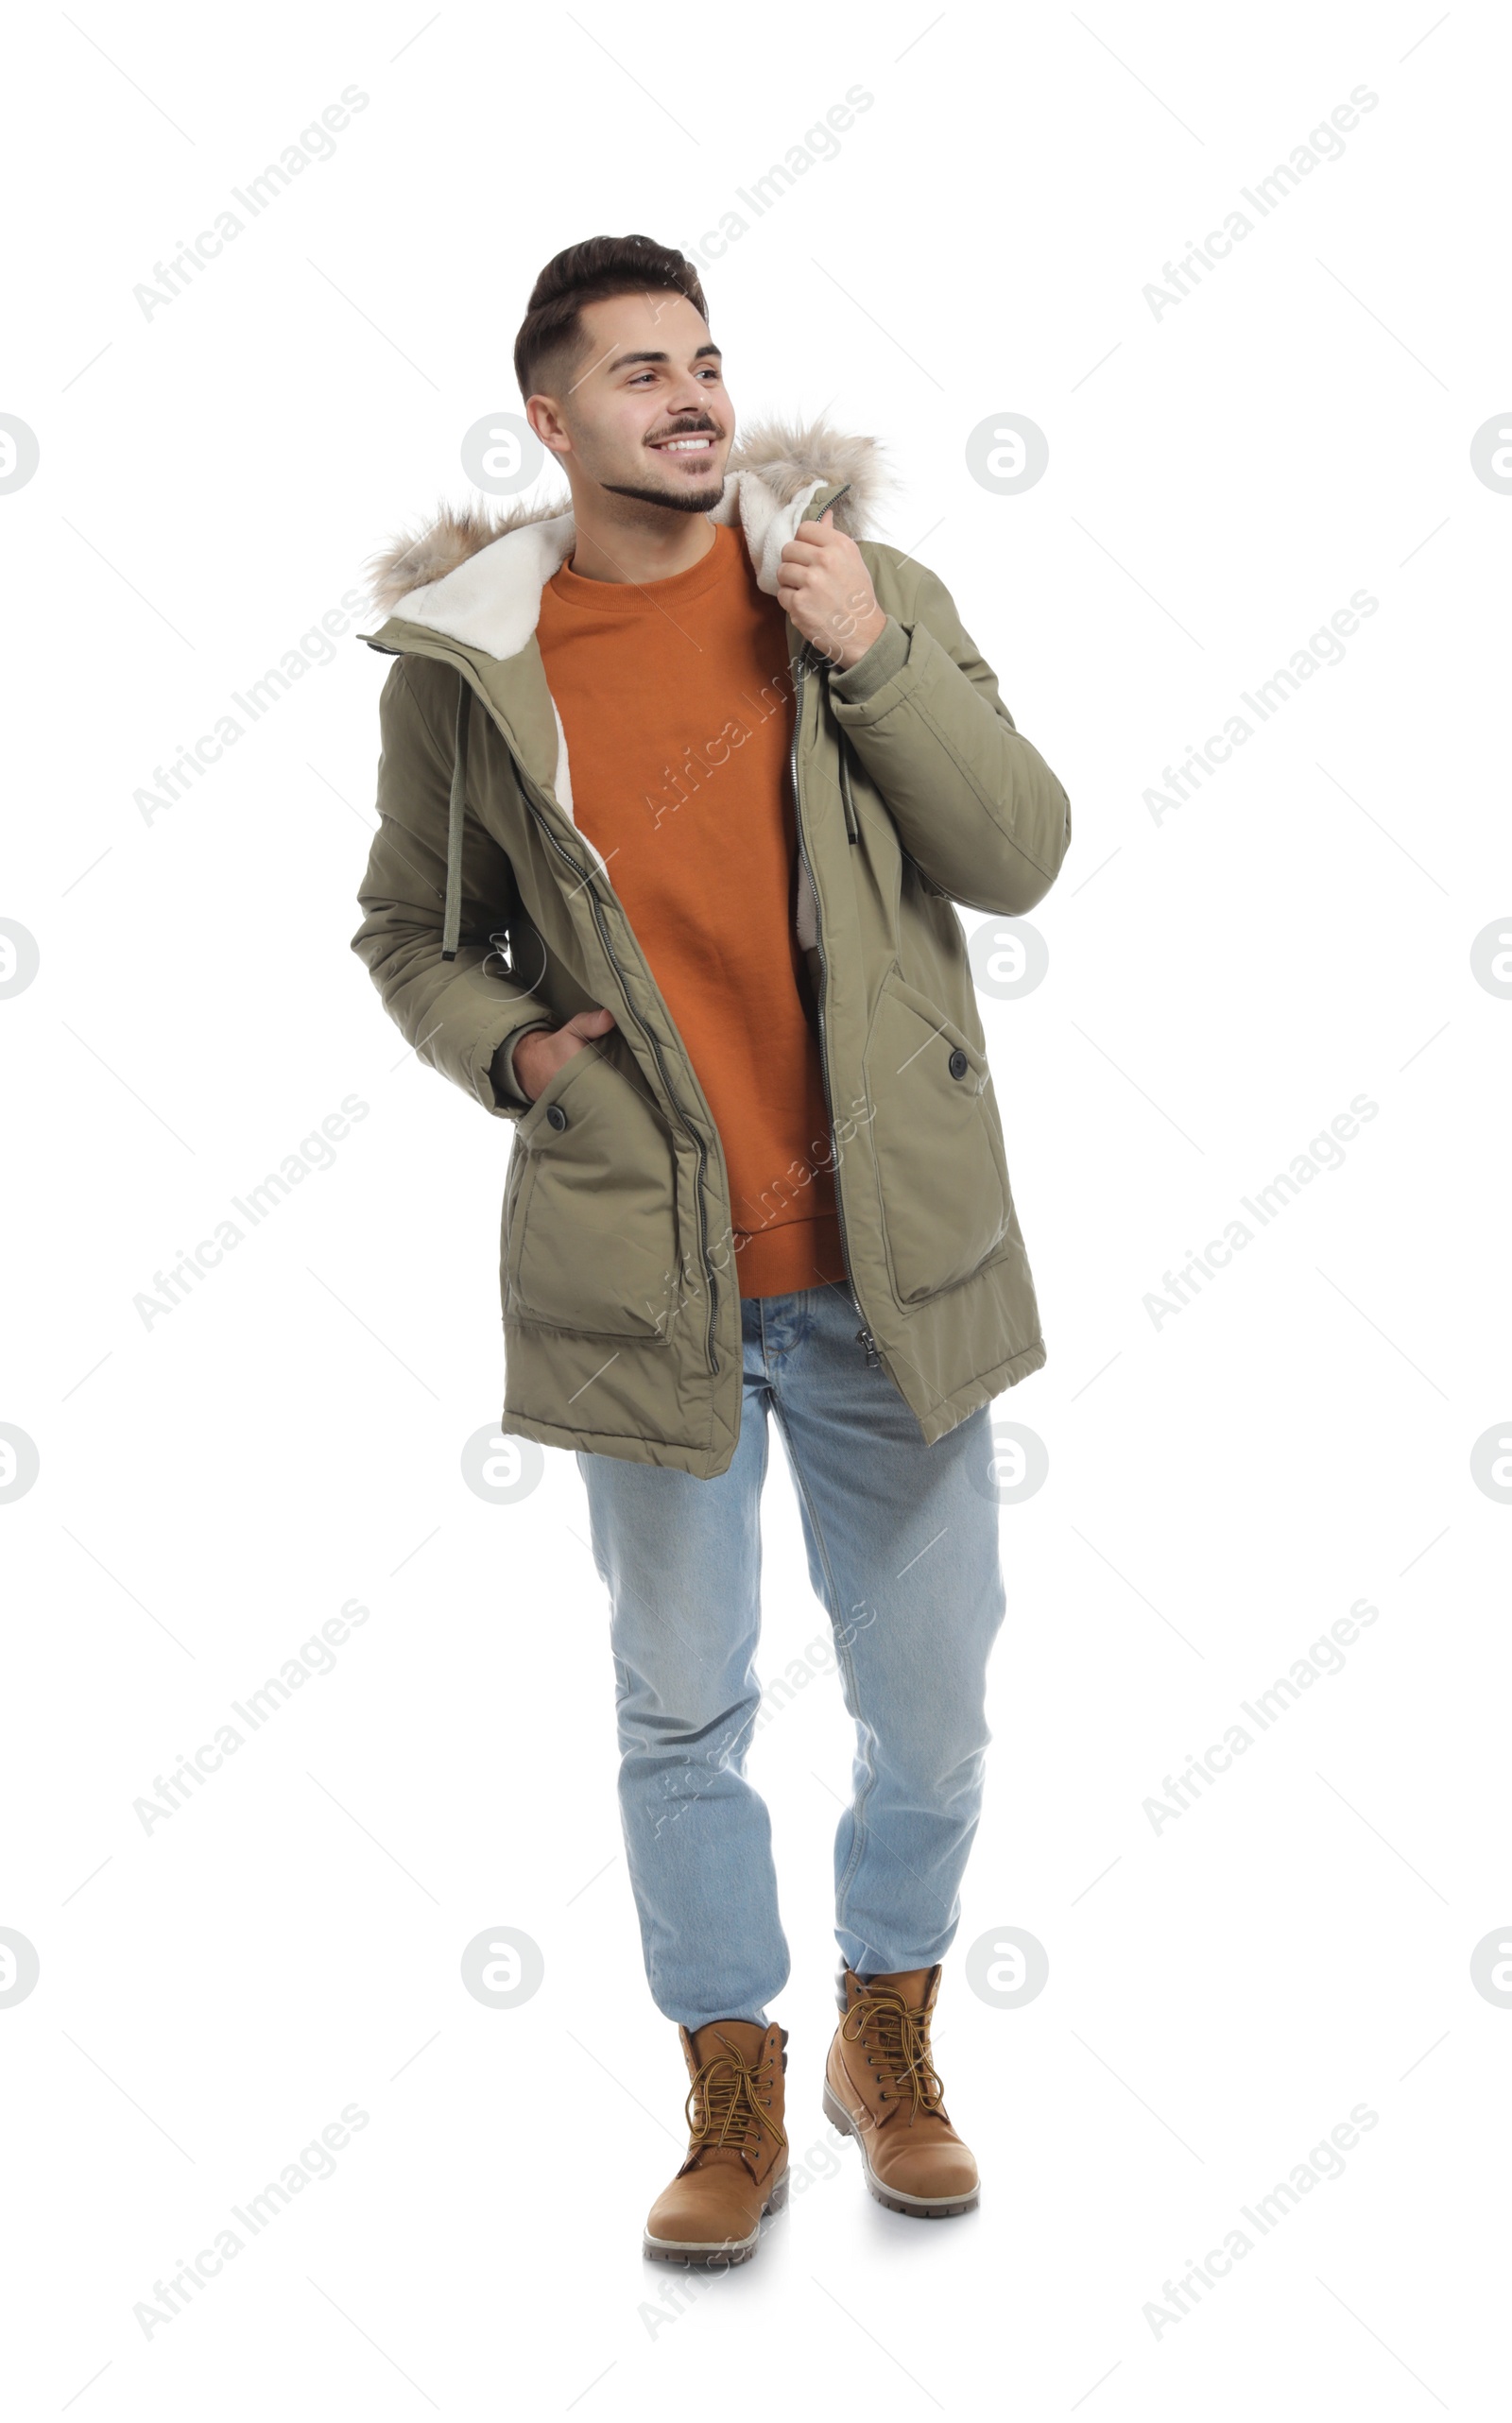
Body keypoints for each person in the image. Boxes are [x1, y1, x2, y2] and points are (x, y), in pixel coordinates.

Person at [352, 232, 1072, 2266]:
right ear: (550, 417)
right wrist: (514, 1045)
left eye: (704, 359)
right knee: (679, 1706)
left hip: (885, 1262)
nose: (688, 395)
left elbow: (1015, 851)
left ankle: (885, 2030)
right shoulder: (471, 669)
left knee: (928, 1707)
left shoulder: (843, 587)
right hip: (637, 1272)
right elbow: (407, 931)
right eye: (637, 370)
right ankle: (730, 2092)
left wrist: (870, 651)